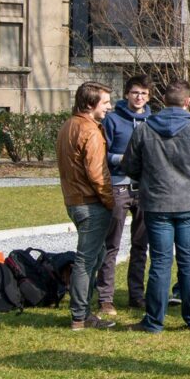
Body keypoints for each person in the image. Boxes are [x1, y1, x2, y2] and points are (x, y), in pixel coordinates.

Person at [122, 81, 190, 333]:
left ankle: (154, 321)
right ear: (188, 102)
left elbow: (130, 166)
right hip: (189, 203)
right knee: (188, 260)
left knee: (160, 262)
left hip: (156, 203)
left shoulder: (144, 129)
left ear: (163, 100)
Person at [58, 81, 118, 331]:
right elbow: (97, 174)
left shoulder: (67, 126)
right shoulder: (91, 131)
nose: (109, 107)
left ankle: (83, 312)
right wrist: (110, 201)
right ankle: (81, 316)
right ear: (90, 104)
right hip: (90, 204)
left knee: (95, 257)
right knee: (86, 260)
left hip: (74, 202)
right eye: (105, 102)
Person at [100, 75, 153, 312]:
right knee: (111, 244)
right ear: (127, 95)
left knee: (140, 245)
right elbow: (102, 153)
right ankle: (105, 297)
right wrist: (121, 159)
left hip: (144, 189)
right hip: (119, 186)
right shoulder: (112, 120)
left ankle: (136, 295)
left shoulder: (153, 120)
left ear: (148, 96)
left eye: (143, 93)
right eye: (134, 93)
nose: (139, 97)